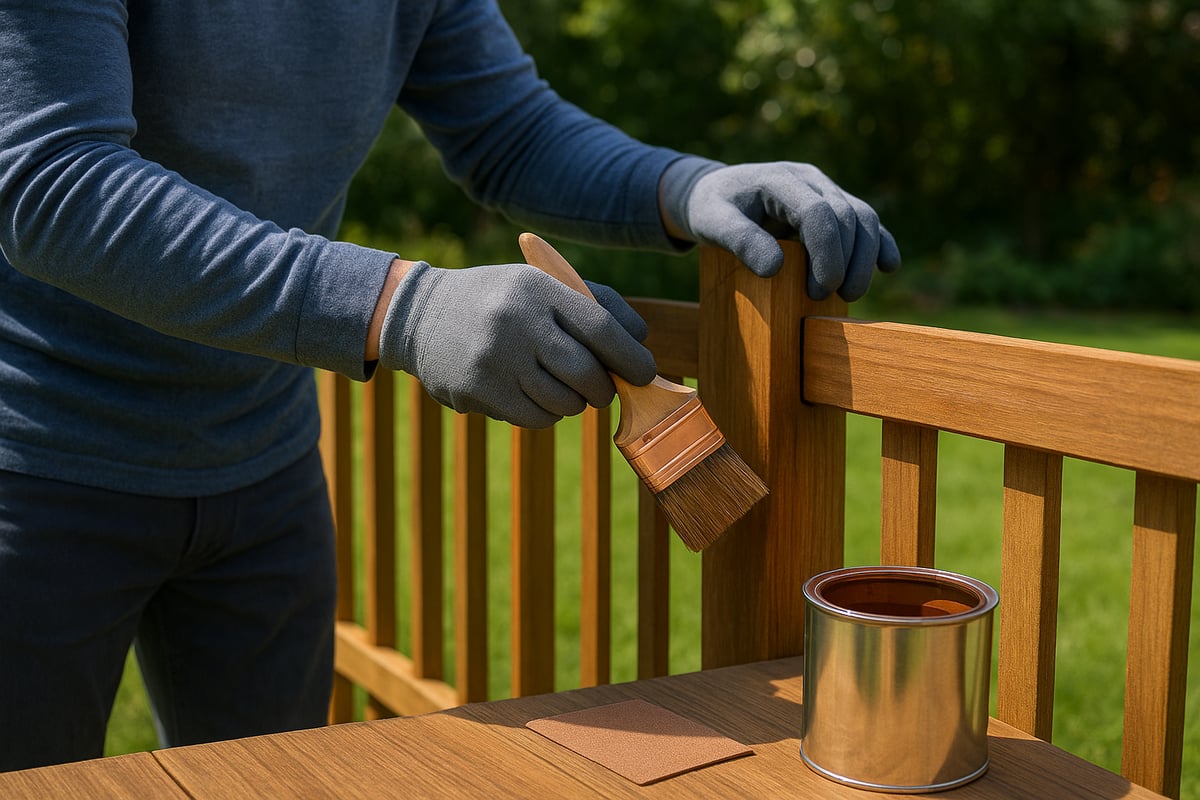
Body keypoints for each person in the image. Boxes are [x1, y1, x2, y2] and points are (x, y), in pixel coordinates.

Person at [0, 0, 901, 772]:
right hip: (38, 460)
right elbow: (50, 178)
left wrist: (684, 184)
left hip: (263, 465)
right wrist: (402, 304)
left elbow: (509, 130)